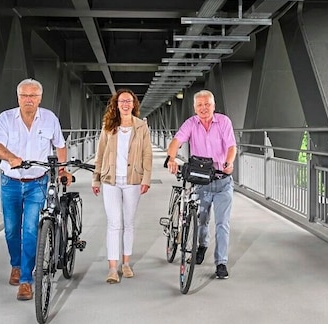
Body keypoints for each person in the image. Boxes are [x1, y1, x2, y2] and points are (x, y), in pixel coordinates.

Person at [0, 78, 71, 301]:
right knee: (10, 229)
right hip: (11, 182)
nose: (29, 100)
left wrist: (62, 171)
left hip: (37, 181)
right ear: (18, 97)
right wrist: (11, 157)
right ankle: (15, 265)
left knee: (30, 230)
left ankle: (26, 280)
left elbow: (60, 145)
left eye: (33, 96)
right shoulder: (6, 118)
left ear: (40, 98)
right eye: (24, 96)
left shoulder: (49, 119)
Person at [166, 90, 236, 279]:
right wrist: (171, 158)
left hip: (222, 182)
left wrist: (229, 163)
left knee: (222, 224)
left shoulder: (223, 122)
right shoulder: (191, 123)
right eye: (199, 105)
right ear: (195, 108)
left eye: (207, 104)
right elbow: (176, 141)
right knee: (201, 221)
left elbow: (231, 146)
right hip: (201, 182)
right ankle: (202, 246)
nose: (203, 108)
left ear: (213, 106)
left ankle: (221, 263)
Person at [92, 89, 153, 284]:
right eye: (121, 101)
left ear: (134, 104)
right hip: (111, 179)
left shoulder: (141, 126)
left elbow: (147, 154)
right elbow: (100, 153)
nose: (125, 104)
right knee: (114, 223)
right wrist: (96, 179)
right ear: (116, 104)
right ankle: (112, 268)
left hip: (133, 180)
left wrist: (146, 179)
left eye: (129, 101)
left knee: (128, 223)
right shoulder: (109, 126)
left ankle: (126, 263)